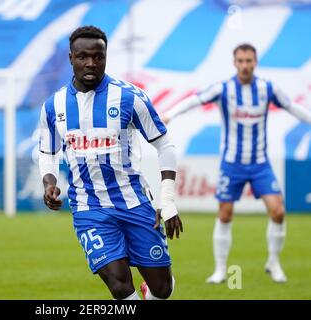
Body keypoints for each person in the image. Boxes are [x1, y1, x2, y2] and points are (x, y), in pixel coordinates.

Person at [38, 25, 183, 300]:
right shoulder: (53, 106)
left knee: (162, 289)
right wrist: (49, 182)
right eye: (83, 56)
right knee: (119, 285)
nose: (90, 63)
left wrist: (167, 200)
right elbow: (48, 151)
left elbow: (164, 145)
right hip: (89, 207)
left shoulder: (130, 97)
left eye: (98, 56)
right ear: (71, 58)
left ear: (106, 56)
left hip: (134, 201)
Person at [162, 43, 311, 284]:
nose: (244, 65)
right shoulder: (224, 88)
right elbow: (195, 100)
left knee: (278, 211)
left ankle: (273, 262)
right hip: (231, 164)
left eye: (249, 61)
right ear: (234, 63)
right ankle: (220, 269)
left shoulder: (267, 88)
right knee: (225, 213)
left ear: (255, 62)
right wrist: (169, 114)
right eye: (240, 61)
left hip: (260, 163)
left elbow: (292, 107)